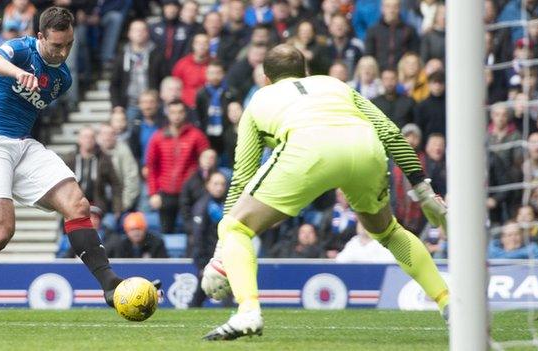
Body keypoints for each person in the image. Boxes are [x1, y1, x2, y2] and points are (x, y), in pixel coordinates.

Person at [202, 44, 448, 340]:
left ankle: (248, 311)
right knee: (389, 232)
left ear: (266, 78)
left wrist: (220, 254)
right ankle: (448, 303)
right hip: (364, 147)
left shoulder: (258, 100)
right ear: (305, 72)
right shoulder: (333, 84)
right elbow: (389, 131)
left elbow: (242, 177)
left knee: (235, 227)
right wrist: (423, 192)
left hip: (308, 150)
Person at [0, 7, 125, 321]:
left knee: (78, 205)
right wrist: (16, 72)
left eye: (69, 45)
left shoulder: (63, 79)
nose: (63, 52)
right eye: (56, 45)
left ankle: (110, 285)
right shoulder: (21, 49)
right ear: (40, 37)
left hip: (24, 144)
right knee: (2, 231)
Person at [146, 100, 210, 233]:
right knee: (166, 233)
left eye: (180, 112)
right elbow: (151, 168)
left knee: (193, 232)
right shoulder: (158, 137)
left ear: (186, 113)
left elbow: (207, 162)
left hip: (189, 194)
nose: (177, 116)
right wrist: (153, 193)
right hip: (165, 194)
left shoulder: (196, 135)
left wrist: (201, 186)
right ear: (167, 114)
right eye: (173, 112)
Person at [189, 171, 228, 307]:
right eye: (216, 184)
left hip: (223, 254)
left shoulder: (227, 203)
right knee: (202, 289)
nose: (219, 187)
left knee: (229, 286)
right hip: (208, 256)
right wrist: (202, 262)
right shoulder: (202, 206)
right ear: (208, 185)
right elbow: (198, 236)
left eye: (222, 184)